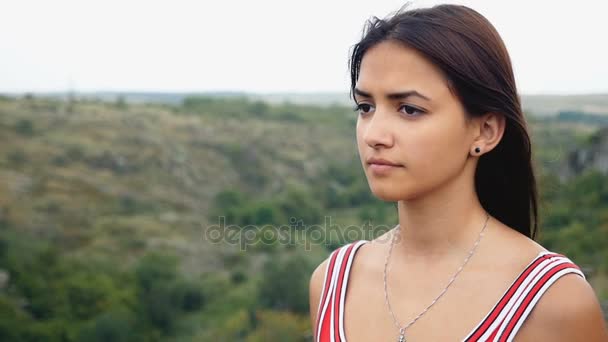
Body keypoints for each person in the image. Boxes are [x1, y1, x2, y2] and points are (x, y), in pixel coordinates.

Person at [308, 3, 608, 341]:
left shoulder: (552, 301)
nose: (374, 135)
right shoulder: (333, 283)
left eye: (409, 109)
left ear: (485, 131)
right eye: (366, 107)